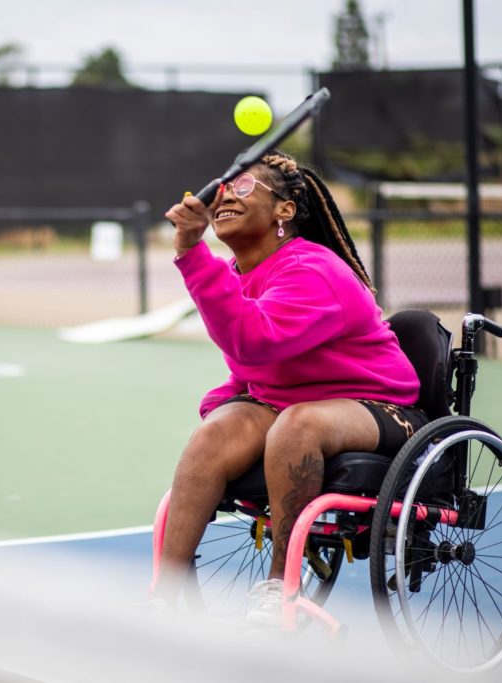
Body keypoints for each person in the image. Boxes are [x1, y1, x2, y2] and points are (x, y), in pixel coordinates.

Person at [156, 151, 427, 626]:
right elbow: (252, 363)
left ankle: (282, 587)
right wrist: (227, 402)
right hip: (288, 403)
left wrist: (192, 252)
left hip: (378, 405)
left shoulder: (311, 269)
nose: (224, 197)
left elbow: (253, 339)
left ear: (284, 210)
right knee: (216, 434)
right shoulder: (244, 276)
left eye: (242, 188)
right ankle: (165, 592)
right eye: (221, 189)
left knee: (296, 426)